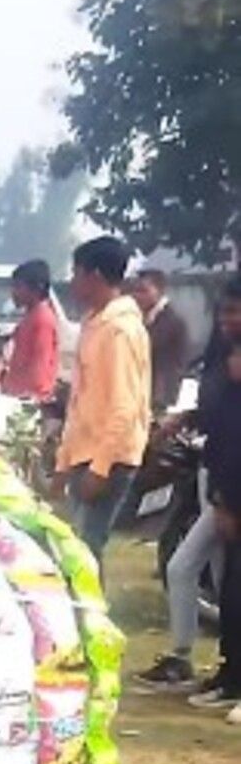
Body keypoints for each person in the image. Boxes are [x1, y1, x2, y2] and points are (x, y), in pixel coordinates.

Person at [133, 278, 241, 694]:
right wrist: (188, 418)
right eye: (224, 312)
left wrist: (227, 497)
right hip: (214, 474)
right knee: (218, 576)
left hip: (229, 484)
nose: (228, 320)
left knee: (189, 569)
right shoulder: (222, 355)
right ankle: (214, 668)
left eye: (235, 312)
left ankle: (196, 663)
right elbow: (219, 416)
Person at [54, 236, 152, 565]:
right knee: (79, 548)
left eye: (76, 273)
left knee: (86, 550)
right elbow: (81, 400)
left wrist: (101, 468)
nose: (71, 281)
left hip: (109, 457)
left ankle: (91, 615)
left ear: (94, 276)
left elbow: (124, 406)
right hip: (86, 451)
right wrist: (64, 462)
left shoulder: (120, 330)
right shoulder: (94, 323)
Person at [186, 340, 241, 717]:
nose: (231, 362)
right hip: (229, 500)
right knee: (231, 594)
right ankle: (231, 676)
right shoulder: (230, 401)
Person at [130, 268, 190, 412]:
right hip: (142, 392)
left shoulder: (170, 321)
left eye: (143, 291)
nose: (137, 296)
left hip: (159, 395)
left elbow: (149, 350)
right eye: (135, 291)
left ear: (160, 290)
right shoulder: (142, 317)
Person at [2, 258, 59, 400]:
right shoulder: (31, 316)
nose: (13, 292)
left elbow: (40, 366)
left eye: (18, 287)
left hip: (31, 400)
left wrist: (29, 398)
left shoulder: (42, 319)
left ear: (37, 288)